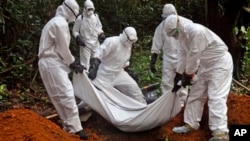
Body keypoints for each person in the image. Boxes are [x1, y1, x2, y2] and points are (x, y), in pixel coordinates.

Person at [164, 14, 233, 141]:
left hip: (220, 63)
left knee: (216, 96)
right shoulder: (182, 38)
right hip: (205, 66)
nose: (174, 36)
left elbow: (194, 55)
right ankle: (191, 124)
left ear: (179, 25)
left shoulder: (196, 31)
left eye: (175, 33)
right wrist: (178, 75)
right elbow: (183, 56)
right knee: (196, 94)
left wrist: (188, 75)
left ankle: (221, 133)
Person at [38, 0, 88, 139]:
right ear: (69, 11)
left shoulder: (53, 22)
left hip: (51, 63)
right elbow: (62, 48)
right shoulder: (60, 23)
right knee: (65, 93)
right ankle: (76, 129)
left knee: (59, 95)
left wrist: (71, 63)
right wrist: (73, 63)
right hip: (51, 62)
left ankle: (68, 127)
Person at [88, 27, 147, 104]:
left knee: (135, 90)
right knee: (99, 97)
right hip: (104, 75)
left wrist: (129, 72)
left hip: (119, 73)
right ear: (125, 36)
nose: (130, 42)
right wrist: (94, 68)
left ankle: (142, 107)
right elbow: (99, 54)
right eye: (130, 40)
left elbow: (123, 62)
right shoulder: (112, 41)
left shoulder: (128, 46)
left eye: (132, 41)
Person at [150, 3, 189, 106]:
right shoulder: (161, 27)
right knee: (167, 82)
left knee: (182, 82)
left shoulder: (185, 23)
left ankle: (181, 104)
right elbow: (157, 43)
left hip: (182, 57)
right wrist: (153, 60)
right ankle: (166, 105)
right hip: (168, 58)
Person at [72, 0, 105, 71]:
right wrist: (78, 37)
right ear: (84, 8)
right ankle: (84, 81)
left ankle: (96, 80)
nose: (90, 11)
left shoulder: (96, 17)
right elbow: (75, 31)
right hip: (85, 44)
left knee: (97, 63)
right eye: (88, 9)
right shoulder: (80, 18)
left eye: (91, 9)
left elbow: (99, 27)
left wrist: (101, 33)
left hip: (96, 44)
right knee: (85, 65)